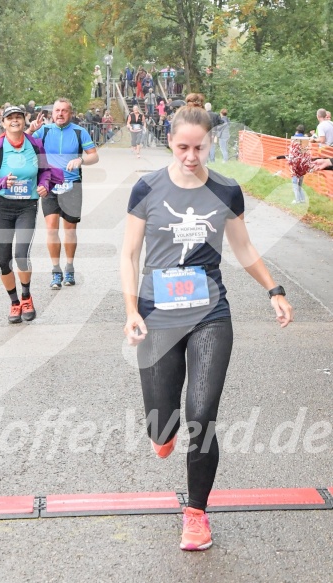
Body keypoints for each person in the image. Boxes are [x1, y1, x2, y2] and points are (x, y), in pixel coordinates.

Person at [121, 105, 293, 552]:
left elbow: (243, 246)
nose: (191, 155)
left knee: (201, 415)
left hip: (209, 315)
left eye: (199, 147)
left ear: (210, 143)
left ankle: (196, 513)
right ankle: (164, 434)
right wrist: (130, 310)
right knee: (161, 425)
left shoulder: (226, 190)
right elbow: (128, 254)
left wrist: (273, 288)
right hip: (156, 316)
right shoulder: (147, 188)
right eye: (182, 147)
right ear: (170, 142)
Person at [0, 106, 59, 324]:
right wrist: (0, 182)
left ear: (24, 121)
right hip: (3, 207)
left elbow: (46, 171)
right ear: (3, 123)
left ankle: (27, 297)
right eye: (10, 118)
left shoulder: (34, 145)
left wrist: (44, 185)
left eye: (18, 117)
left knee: (21, 255)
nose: (14, 121)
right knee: (4, 260)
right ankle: (14, 303)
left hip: (27, 206)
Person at [28, 98, 98, 288]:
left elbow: (94, 156)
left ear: (70, 113)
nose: (60, 114)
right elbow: (20, 144)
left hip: (72, 185)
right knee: (51, 228)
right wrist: (31, 130)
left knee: (70, 230)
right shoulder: (44, 130)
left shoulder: (79, 132)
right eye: (57, 110)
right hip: (49, 184)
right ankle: (56, 270)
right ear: (52, 113)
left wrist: (80, 161)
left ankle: (69, 267)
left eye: (64, 111)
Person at [268, 125, 308, 204]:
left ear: (297, 131)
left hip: (295, 165)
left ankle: (297, 200)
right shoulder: (306, 141)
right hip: (303, 165)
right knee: (299, 184)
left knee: (294, 183)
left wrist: (276, 157)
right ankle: (302, 199)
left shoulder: (294, 140)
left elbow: (290, 155)